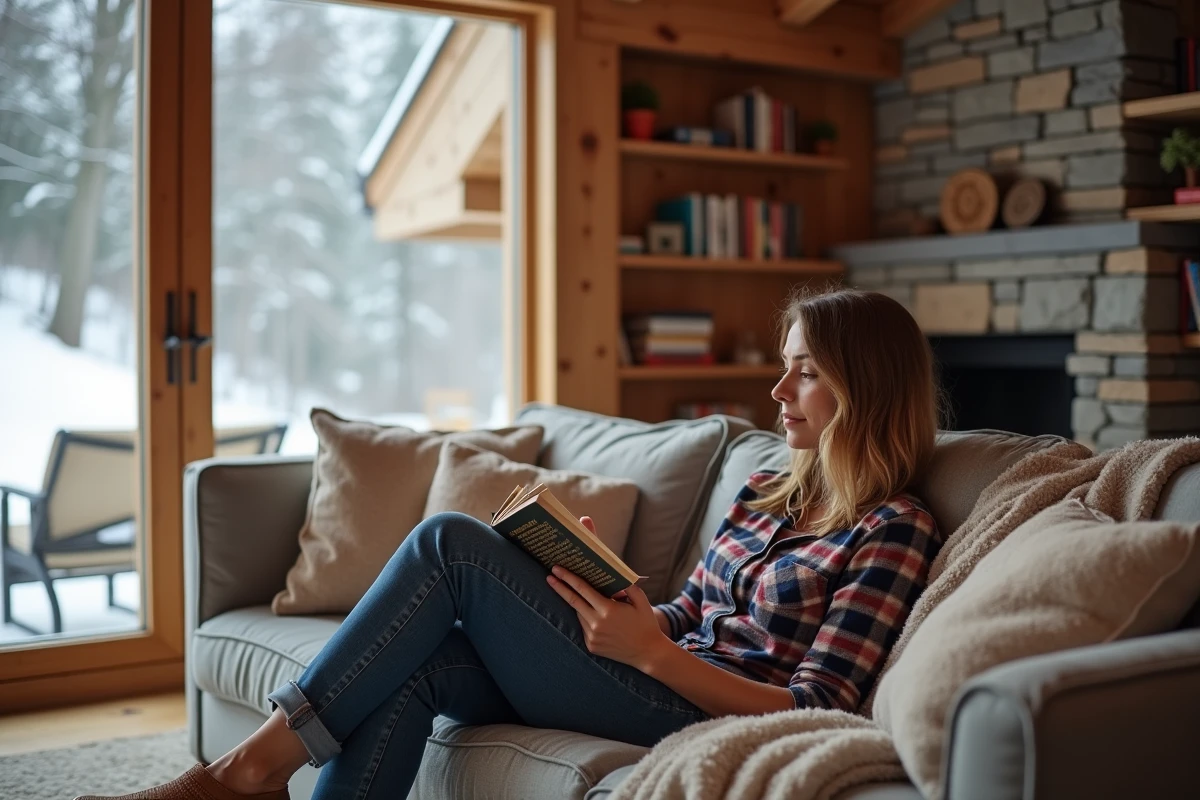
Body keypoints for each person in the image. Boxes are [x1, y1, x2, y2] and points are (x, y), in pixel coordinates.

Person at [76, 287, 944, 800]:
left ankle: (246, 773)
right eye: (787, 363)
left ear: (863, 389)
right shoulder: (766, 493)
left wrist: (652, 655)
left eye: (807, 371)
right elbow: (691, 612)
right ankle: (254, 775)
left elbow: (818, 706)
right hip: (650, 667)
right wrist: (614, 592)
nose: (778, 386)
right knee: (420, 662)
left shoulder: (894, 528)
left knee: (450, 544)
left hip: (693, 705)